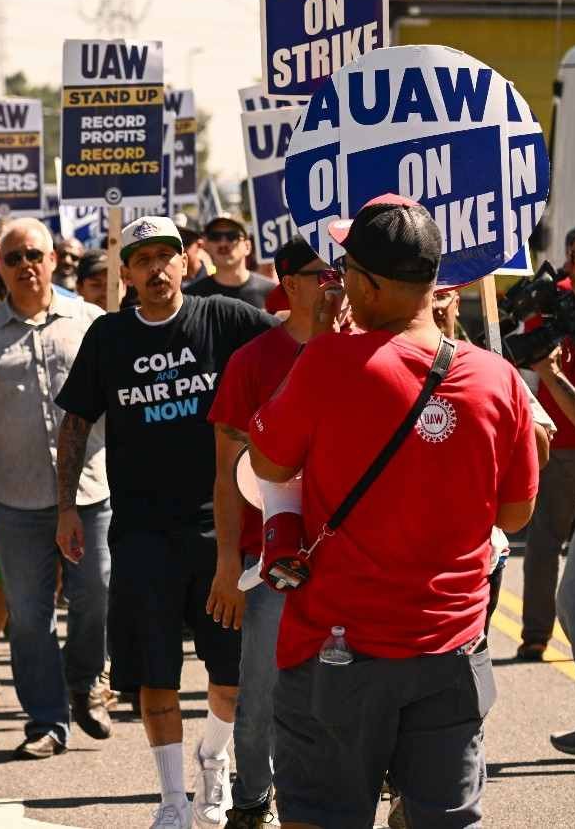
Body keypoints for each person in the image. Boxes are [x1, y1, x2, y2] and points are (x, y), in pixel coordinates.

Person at [247, 197, 538, 828]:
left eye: (346, 269)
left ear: (371, 285)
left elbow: (267, 463)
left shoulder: (329, 361)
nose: (340, 281)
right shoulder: (499, 378)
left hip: (339, 651)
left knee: (320, 817)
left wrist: (321, 344)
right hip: (452, 649)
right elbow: (515, 516)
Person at [55, 217, 274, 828]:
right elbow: (75, 424)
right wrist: (67, 506)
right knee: (156, 675)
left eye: (166, 256)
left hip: (221, 530)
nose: (156, 269)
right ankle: (173, 800)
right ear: (125, 273)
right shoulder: (109, 335)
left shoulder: (224, 318)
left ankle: (214, 760)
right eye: (142, 259)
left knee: (230, 674)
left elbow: (291, 342)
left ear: (186, 261)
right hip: (142, 533)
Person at [0, 217, 112, 759]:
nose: (25, 266)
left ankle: (85, 682)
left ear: (54, 259)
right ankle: (46, 721)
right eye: (13, 258)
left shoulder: (91, 322)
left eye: (33, 255)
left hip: (90, 492)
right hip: (14, 500)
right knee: (29, 616)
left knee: (96, 594)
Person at [204, 238, 344, 826]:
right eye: (324, 274)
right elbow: (226, 473)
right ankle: (252, 798)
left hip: (351, 558)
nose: (337, 283)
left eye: (343, 272)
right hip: (269, 560)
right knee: (260, 689)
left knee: (347, 685)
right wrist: (227, 566)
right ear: (289, 283)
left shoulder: (367, 350)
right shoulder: (252, 361)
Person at [518, 226, 575, 661]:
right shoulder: (549, 300)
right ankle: (536, 634)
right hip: (561, 440)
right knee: (545, 538)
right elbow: (529, 362)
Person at [184, 218, 276, 310]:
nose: (223, 243)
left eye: (232, 236)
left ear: (247, 246)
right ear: (206, 246)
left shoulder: (272, 291)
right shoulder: (192, 297)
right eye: (215, 236)